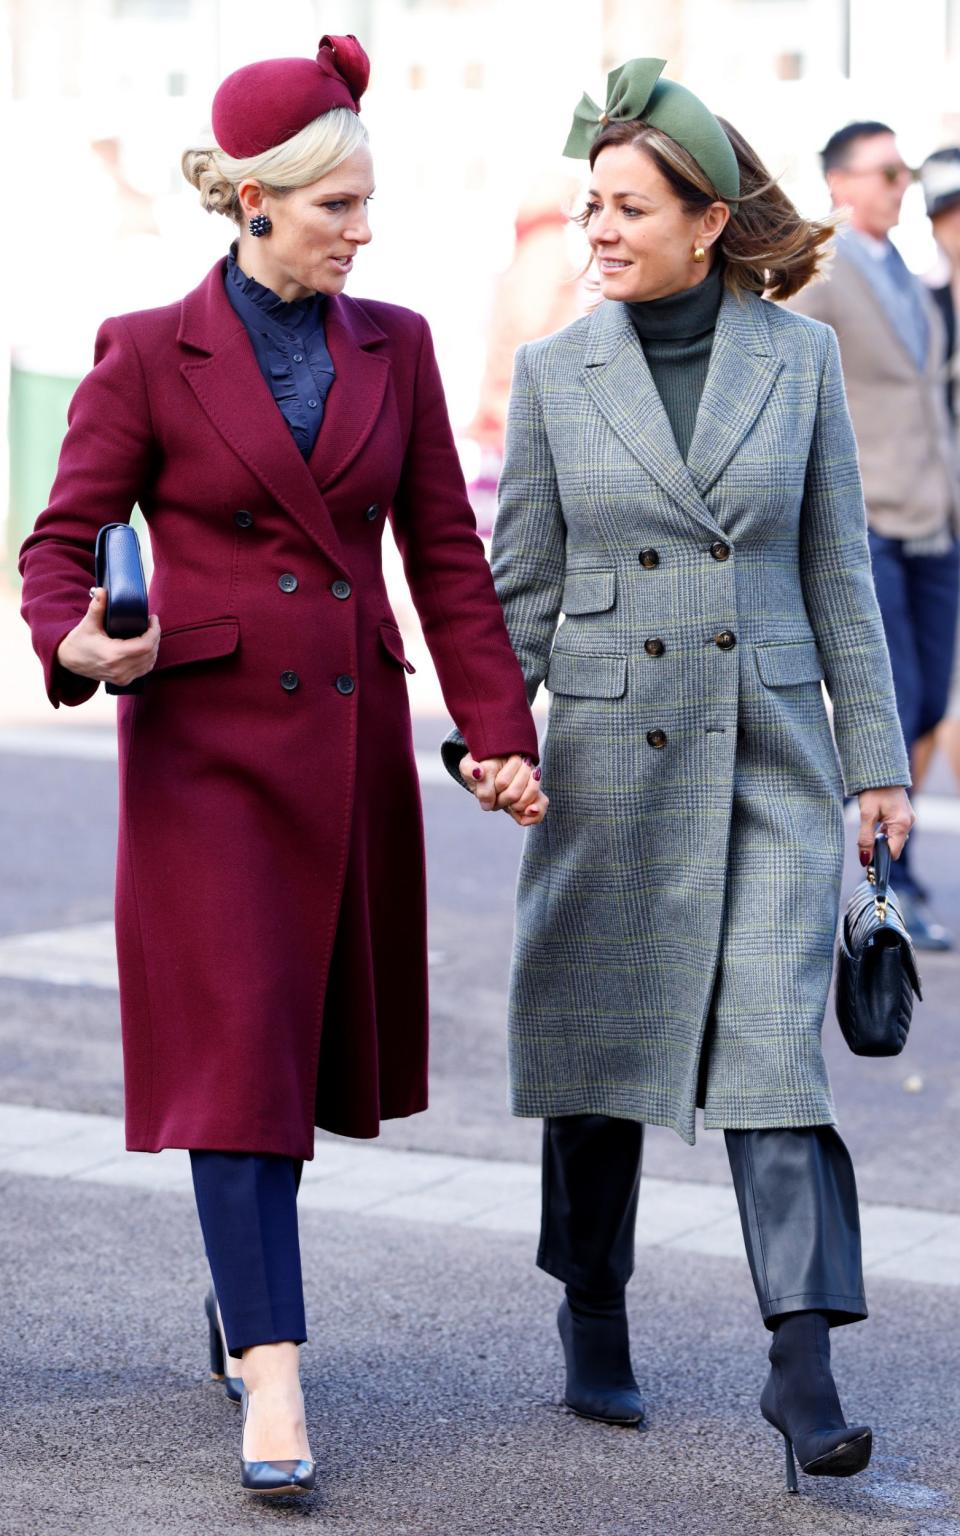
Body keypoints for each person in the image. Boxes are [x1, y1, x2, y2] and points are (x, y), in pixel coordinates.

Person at [19, 34, 546, 1497]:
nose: (363, 231)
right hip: (203, 752)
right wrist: (79, 642)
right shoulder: (143, 348)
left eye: (369, 205)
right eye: (338, 209)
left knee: (294, 1053)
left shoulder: (403, 343)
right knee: (241, 1047)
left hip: (351, 742)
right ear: (255, 200)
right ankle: (279, 1379)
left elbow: (445, 553)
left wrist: (496, 729)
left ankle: (238, 1298)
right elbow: (59, 546)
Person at [445, 58, 914, 1492]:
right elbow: (519, 579)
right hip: (605, 756)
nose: (598, 229)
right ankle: (594, 1308)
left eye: (627, 207)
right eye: (591, 203)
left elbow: (839, 571)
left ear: (708, 221)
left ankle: (804, 1367)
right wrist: (483, 736)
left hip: (768, 751)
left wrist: (877, 764)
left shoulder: (800, 359)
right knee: (598, 1059)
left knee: (776, 1060)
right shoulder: (557, 371)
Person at [786, 121, 959, 950]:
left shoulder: (910, 273)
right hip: (868, 521)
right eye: (889, 172)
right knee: (890, 701)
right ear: (843, 182)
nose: (903, 186)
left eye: (906, 172)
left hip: (935, 519)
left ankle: (891, 864)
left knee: (927, 700)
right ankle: (890, 883)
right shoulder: (820, 266)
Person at [914, 147, 960, 794]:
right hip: (932, 524)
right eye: (949, 215)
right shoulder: (920, 309)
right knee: (926, 698)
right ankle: (905, 870)